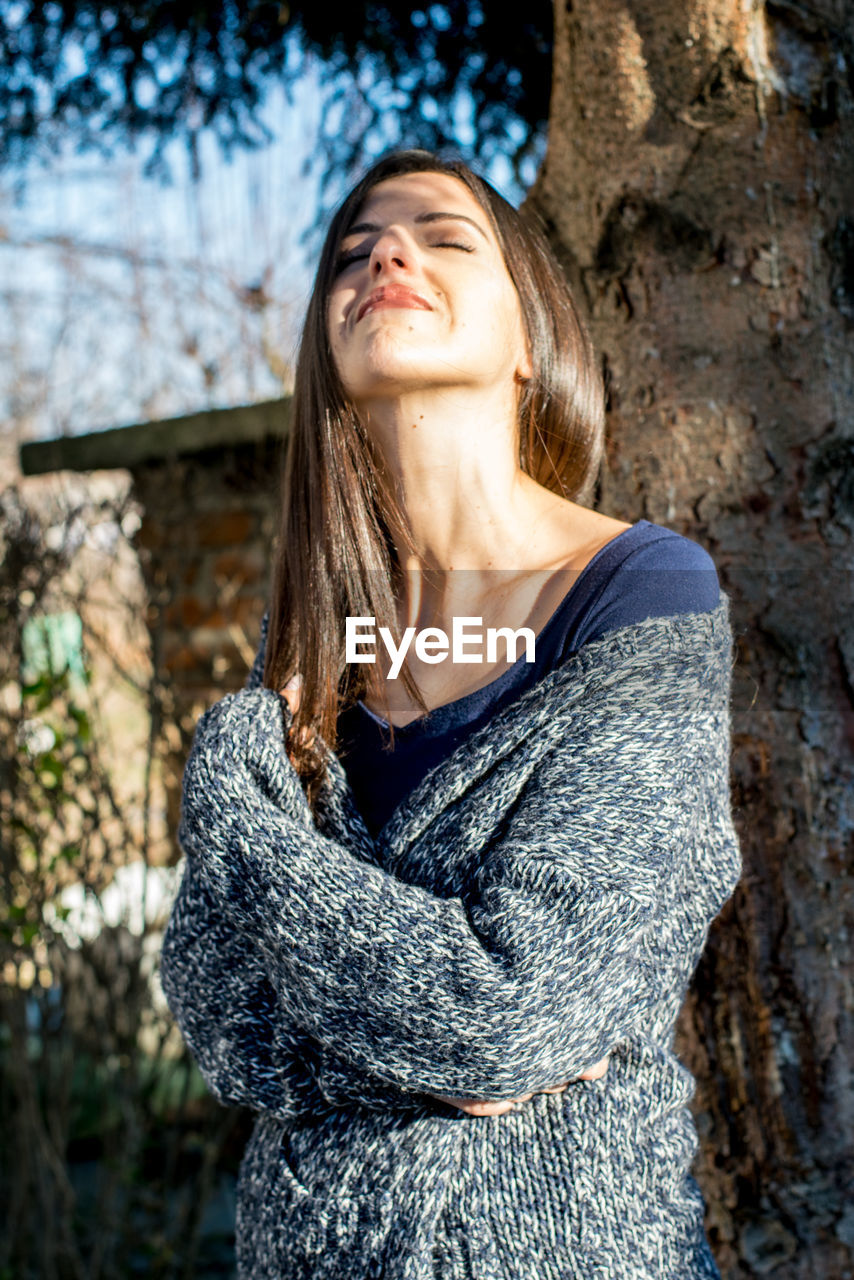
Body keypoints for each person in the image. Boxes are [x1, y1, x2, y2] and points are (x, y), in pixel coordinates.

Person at [161, 149, 741, 1279]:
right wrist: (434, 1049)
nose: (386, 252)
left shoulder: (641, 594)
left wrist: (235, 803)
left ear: (529, 343)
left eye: (442, 233)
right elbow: (216, 1009)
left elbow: (512, 1009)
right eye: (352, 248)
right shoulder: (309, 651)